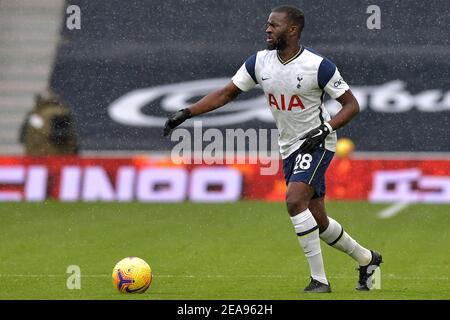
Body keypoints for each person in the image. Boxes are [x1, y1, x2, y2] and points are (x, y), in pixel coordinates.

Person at [163, 5, 382, 293]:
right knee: (319, 220)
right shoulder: (259, 63)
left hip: (317, 142)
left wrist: (325, 129)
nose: (267, 29)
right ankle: (368, 259)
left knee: (293, 202)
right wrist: (187, 112)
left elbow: (351, 105)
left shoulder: (318, 66)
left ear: (292, 30)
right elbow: (227, 93)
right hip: (289, 147)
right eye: (267, 24)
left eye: (274, 25)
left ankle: (320, 281)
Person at [20, 89, 79, 156]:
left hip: (38, 158)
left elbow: (23, 138)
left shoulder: (35, 115)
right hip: (61, 159)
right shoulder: (62, 112)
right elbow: (70, 139)